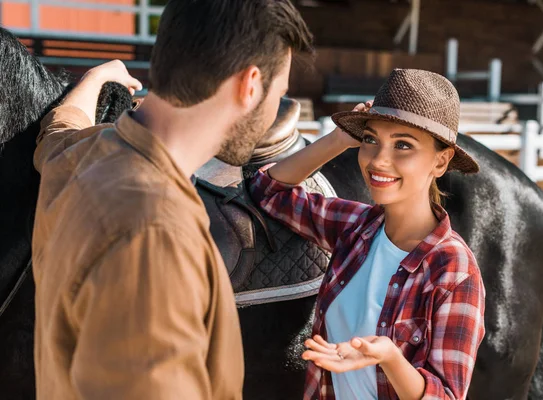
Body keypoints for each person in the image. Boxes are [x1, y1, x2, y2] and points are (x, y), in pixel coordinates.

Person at [31, 1, 312, 399]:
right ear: (250, 85)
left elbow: (58, 131)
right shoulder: (158, 236)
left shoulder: (83, 157)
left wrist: (95, 79)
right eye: (278, 94)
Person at [248, 69, 486, 400]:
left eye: (403, 145)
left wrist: (389, 357)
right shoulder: (355, 227)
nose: (379, 160)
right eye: (371, 140)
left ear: (441, 161)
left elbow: (446, 395)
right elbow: (269, 190)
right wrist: (339, 139)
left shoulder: (454, 271)